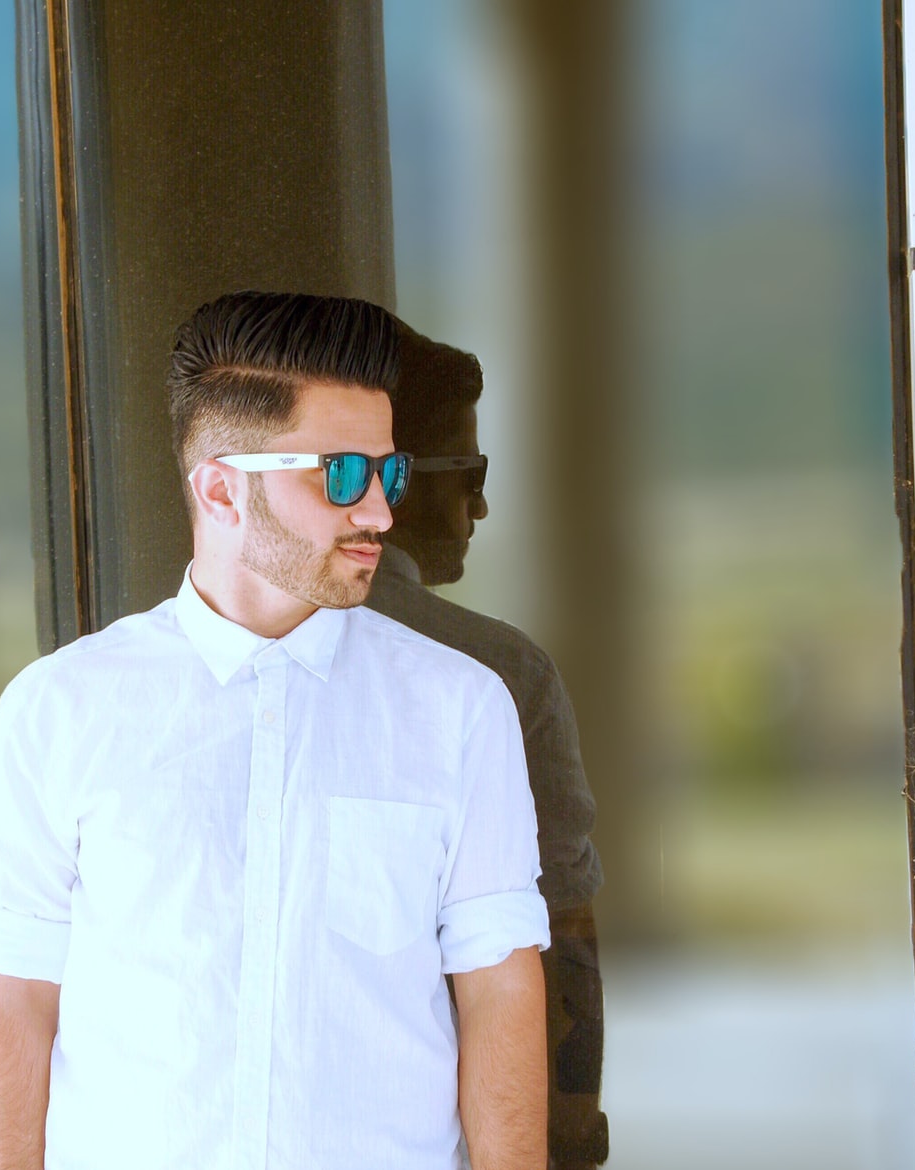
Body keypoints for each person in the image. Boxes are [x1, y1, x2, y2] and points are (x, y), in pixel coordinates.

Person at [0, 291, 551, 1170]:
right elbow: (14, 993)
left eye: (388, 475)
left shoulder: (462, 709)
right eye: (342, 475)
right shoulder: (59, 710)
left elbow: (500, 987)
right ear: (221, 488)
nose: (381, 515)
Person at [367, 322, 609, 1170]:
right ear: (387, 477)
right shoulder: (501, 672)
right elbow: (562, 940)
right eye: (470, 474)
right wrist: (572, 1133)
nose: (479, 506)